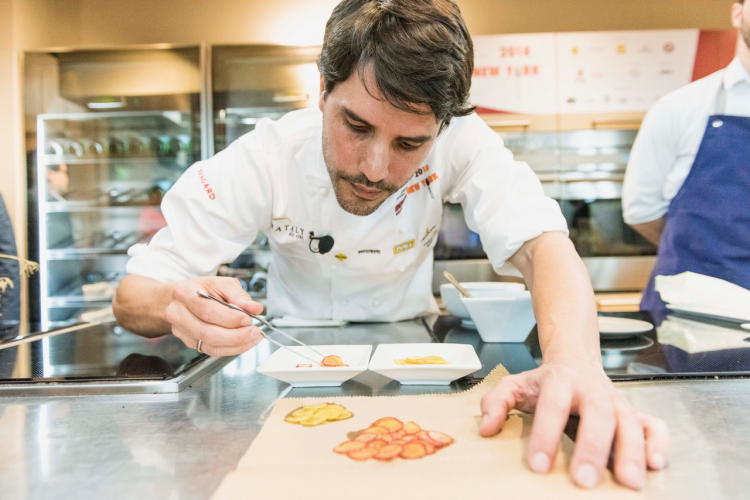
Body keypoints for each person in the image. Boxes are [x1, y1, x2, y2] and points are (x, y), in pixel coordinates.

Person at [114, 0, 670, 490]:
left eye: (410, 143)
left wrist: (575, 366)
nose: (375, 169)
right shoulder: (264, 158)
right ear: (323, 91)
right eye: (356, 127)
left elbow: (542, 245)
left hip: (422, 365)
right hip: (296, 368)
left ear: (442, 128)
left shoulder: (465, 141)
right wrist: (172, 303)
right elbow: (132, 294)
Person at [623, 0, 750, 311]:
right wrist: (699, 250)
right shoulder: (679, 109)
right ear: (737, 12)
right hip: (693, 316)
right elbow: (641, 210)